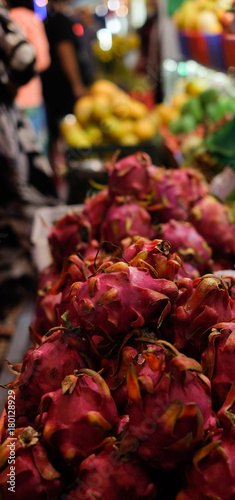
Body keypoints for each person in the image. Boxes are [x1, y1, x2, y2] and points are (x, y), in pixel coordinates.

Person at [0, 0, 57, 326]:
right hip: (17, 118)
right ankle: (28, 279)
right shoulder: (13, 17)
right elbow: (29, 60)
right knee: (22, 195)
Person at [41, 0, 91, 158]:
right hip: (62, 89)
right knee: (63, 132)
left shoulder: (50, 18)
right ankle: (63, 169)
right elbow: (65, 53)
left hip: (52, 87)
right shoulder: (60, 20)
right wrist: (77, 85)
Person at [8, 0, 51, 155]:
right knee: (36, 151)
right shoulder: (32, 19)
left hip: (8, 99)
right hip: (31, 97)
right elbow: (43, 60)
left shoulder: (6, 19)